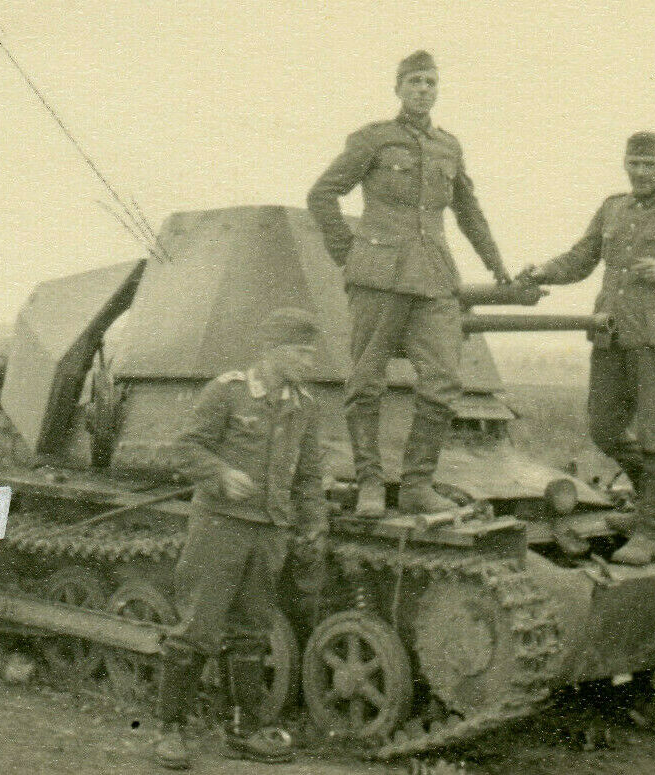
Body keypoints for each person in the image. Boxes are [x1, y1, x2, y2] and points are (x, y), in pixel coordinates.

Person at [307, 50, 511, 518]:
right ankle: (371, 485)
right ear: (398, 88)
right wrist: (349, 253)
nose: (424, 90)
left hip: (435, 279)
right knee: (366, 383)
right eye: (416, 81)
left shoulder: (448, 147)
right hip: (378, 278)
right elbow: (322, 193)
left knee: (443, 382)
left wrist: (497, 265)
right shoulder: (374, 140)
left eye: (431, 82)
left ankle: (418, 484)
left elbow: (468, 211)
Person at [518, 132, 655, 565]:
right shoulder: (613, 207)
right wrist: (542, 272)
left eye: (649, 164)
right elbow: (581, 257)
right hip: (611, 333)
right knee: (604, 428)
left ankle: (651, 529)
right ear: (625, 164)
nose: (640, 172)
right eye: (633, 163)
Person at [153, 307, 328, 769]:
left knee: (251, 633)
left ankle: (244, 731)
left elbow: (309, 475)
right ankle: (171, 730)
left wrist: (312, 525)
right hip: (220, 527)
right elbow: (188, 447)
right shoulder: (227, 392)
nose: (310, 361)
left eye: (312, 352)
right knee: (197, 627)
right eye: (301, 352)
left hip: (270, 531)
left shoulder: (304, 405)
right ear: (271, 350)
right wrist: (221, 474)